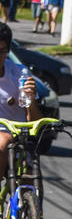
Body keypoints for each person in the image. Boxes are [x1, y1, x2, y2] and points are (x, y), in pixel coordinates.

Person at [0, 23, 42, 178]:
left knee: (29, 180)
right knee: (3, 140)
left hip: (19, 142)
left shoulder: (19, 73)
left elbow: (35, 121)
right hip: (3, 141)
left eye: (2, 51)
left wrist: (31, 100)